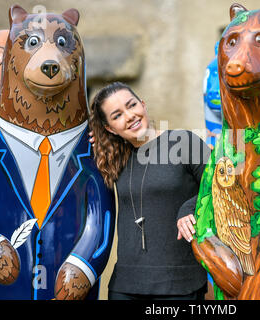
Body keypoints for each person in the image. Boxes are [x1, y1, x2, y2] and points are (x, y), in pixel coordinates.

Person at [89, 82, 210, 300]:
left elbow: (221, 188)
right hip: (125, 285)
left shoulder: (183, 142)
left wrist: (190, 207)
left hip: (179, 284)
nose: (129, 116)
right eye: (117, 115)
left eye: (132, 105)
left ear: (143, 105)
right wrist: (86, 144)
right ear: (109, 128)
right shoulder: (113, 158)